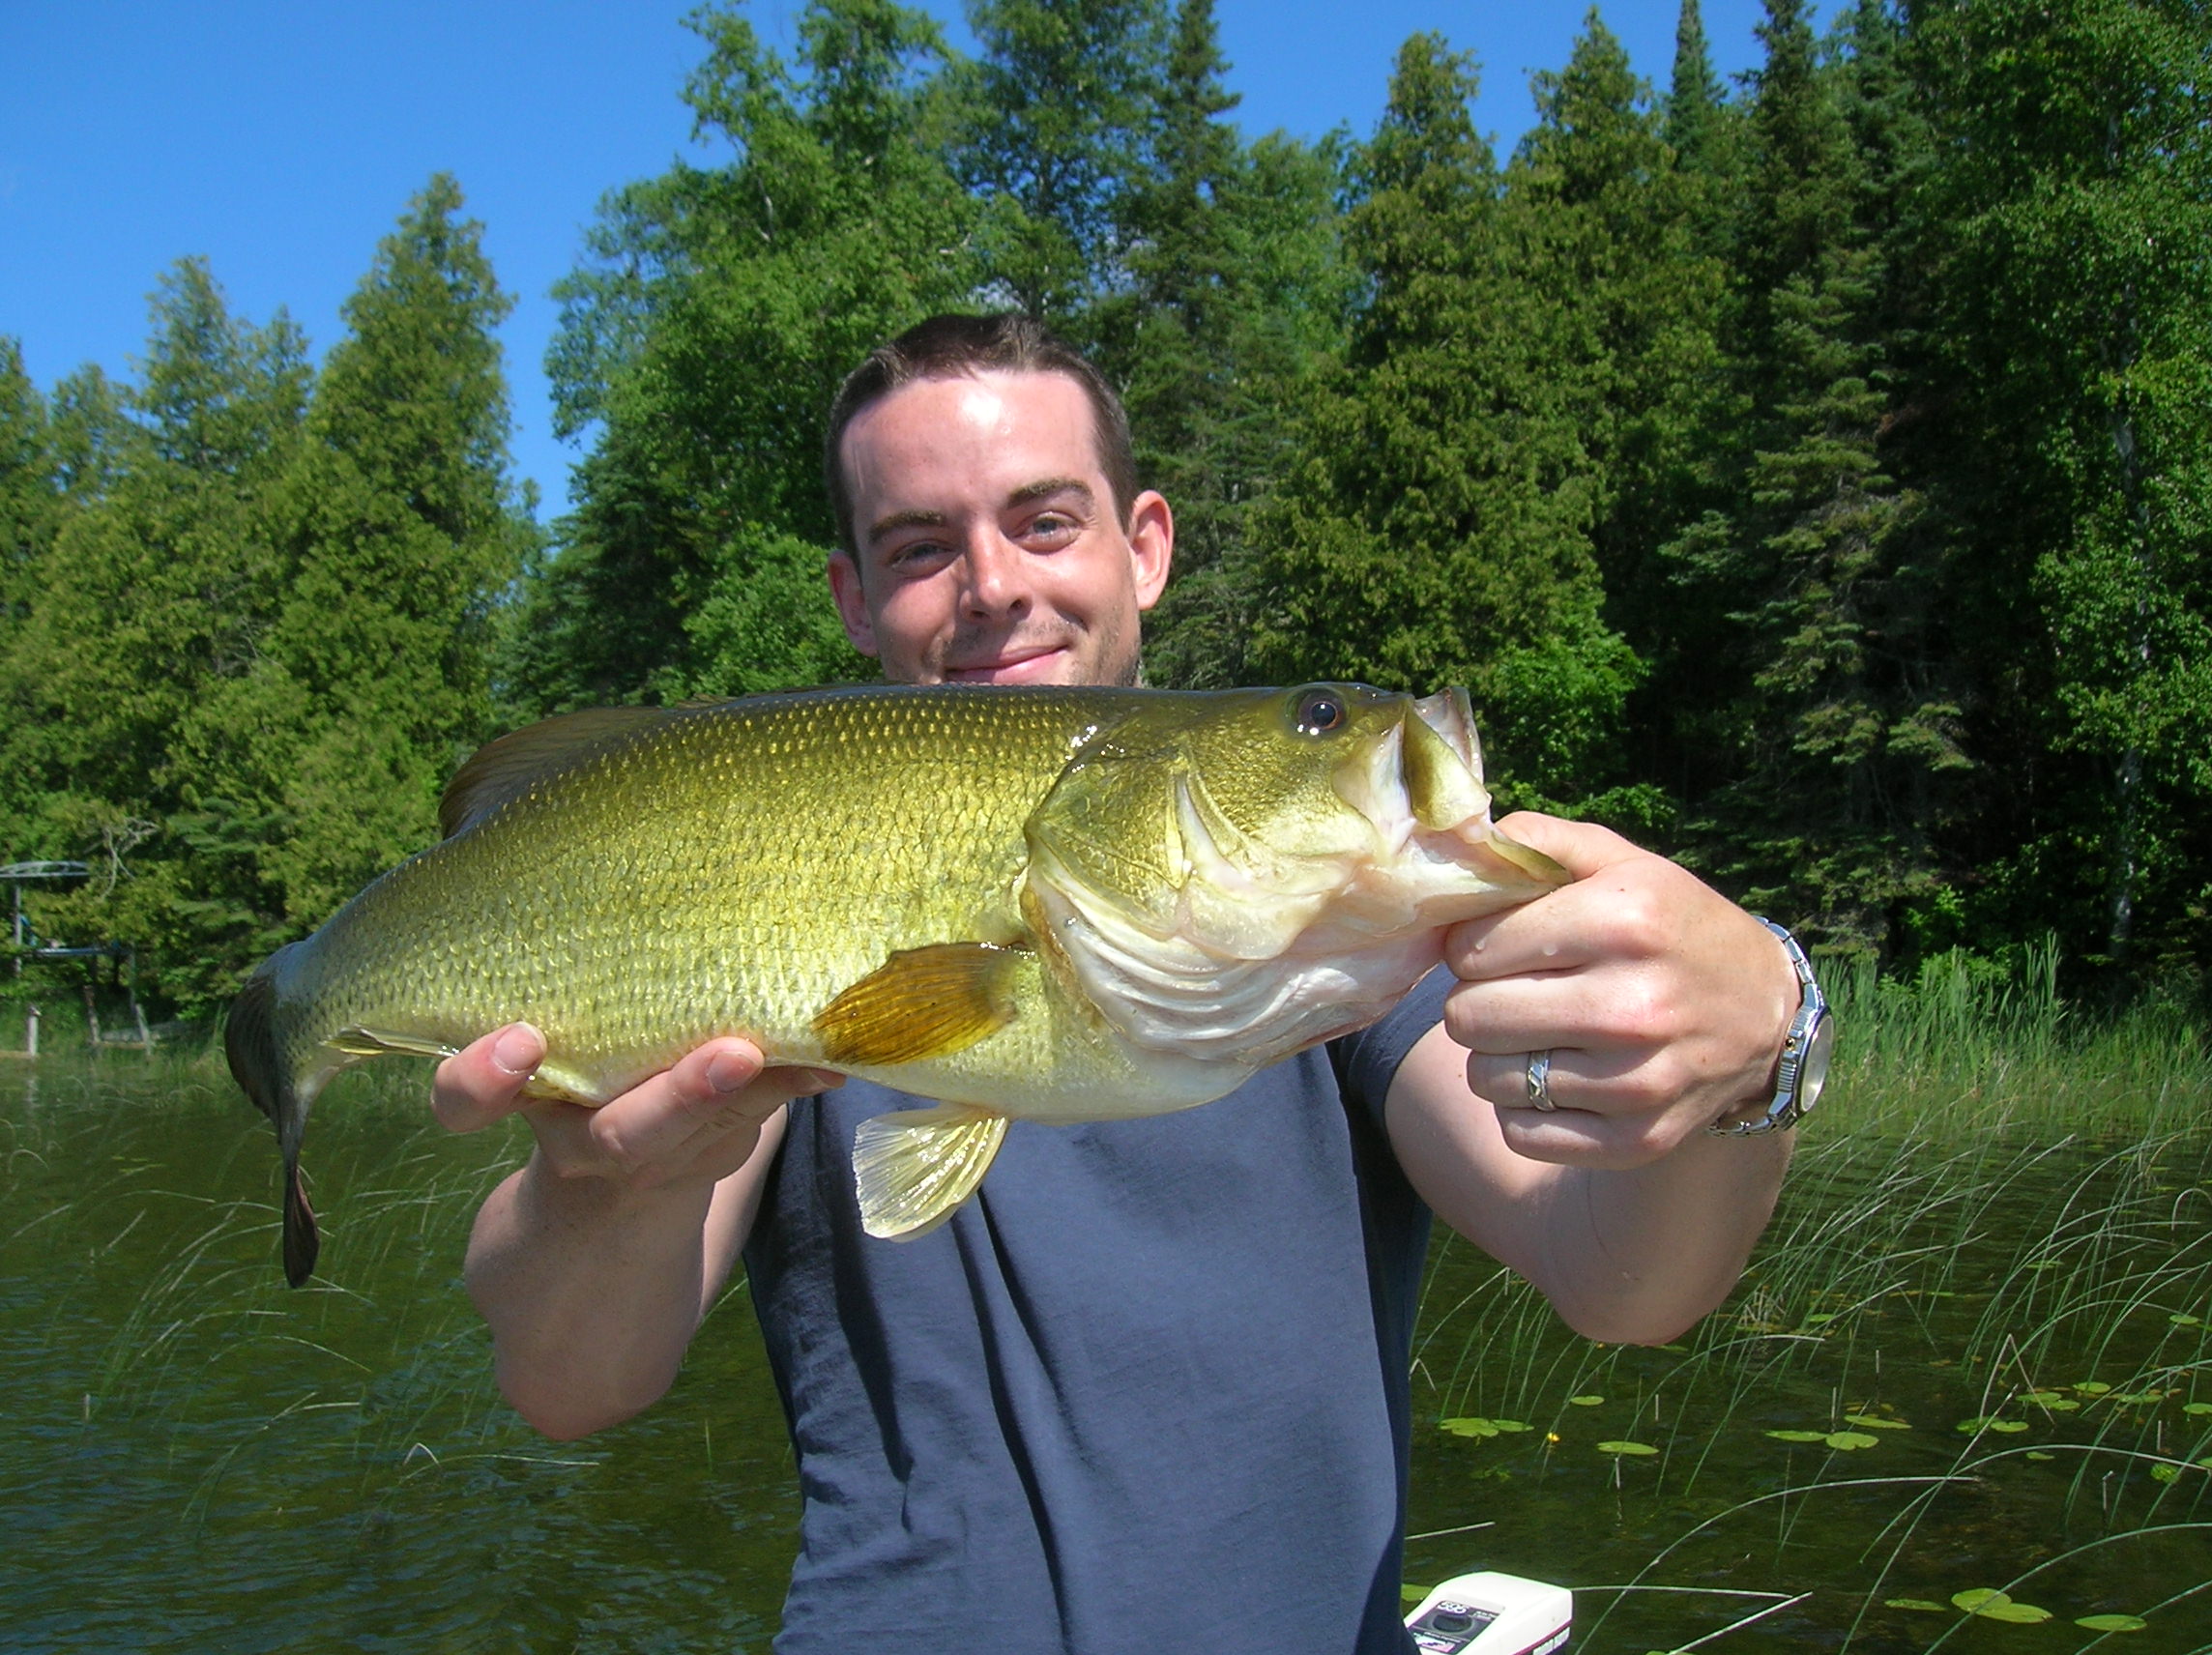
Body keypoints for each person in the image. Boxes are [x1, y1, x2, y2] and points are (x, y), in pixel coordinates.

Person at [435, 315, 1806, 1652]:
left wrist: (1765, 1042)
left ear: (1141, 545)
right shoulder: (778, 907)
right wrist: (595, 1184)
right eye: (920, 548)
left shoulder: (1346, 959)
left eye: (1043, 521)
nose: (992, 586)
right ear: (854, 598)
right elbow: (567, 1385)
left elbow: (1624, 1282)